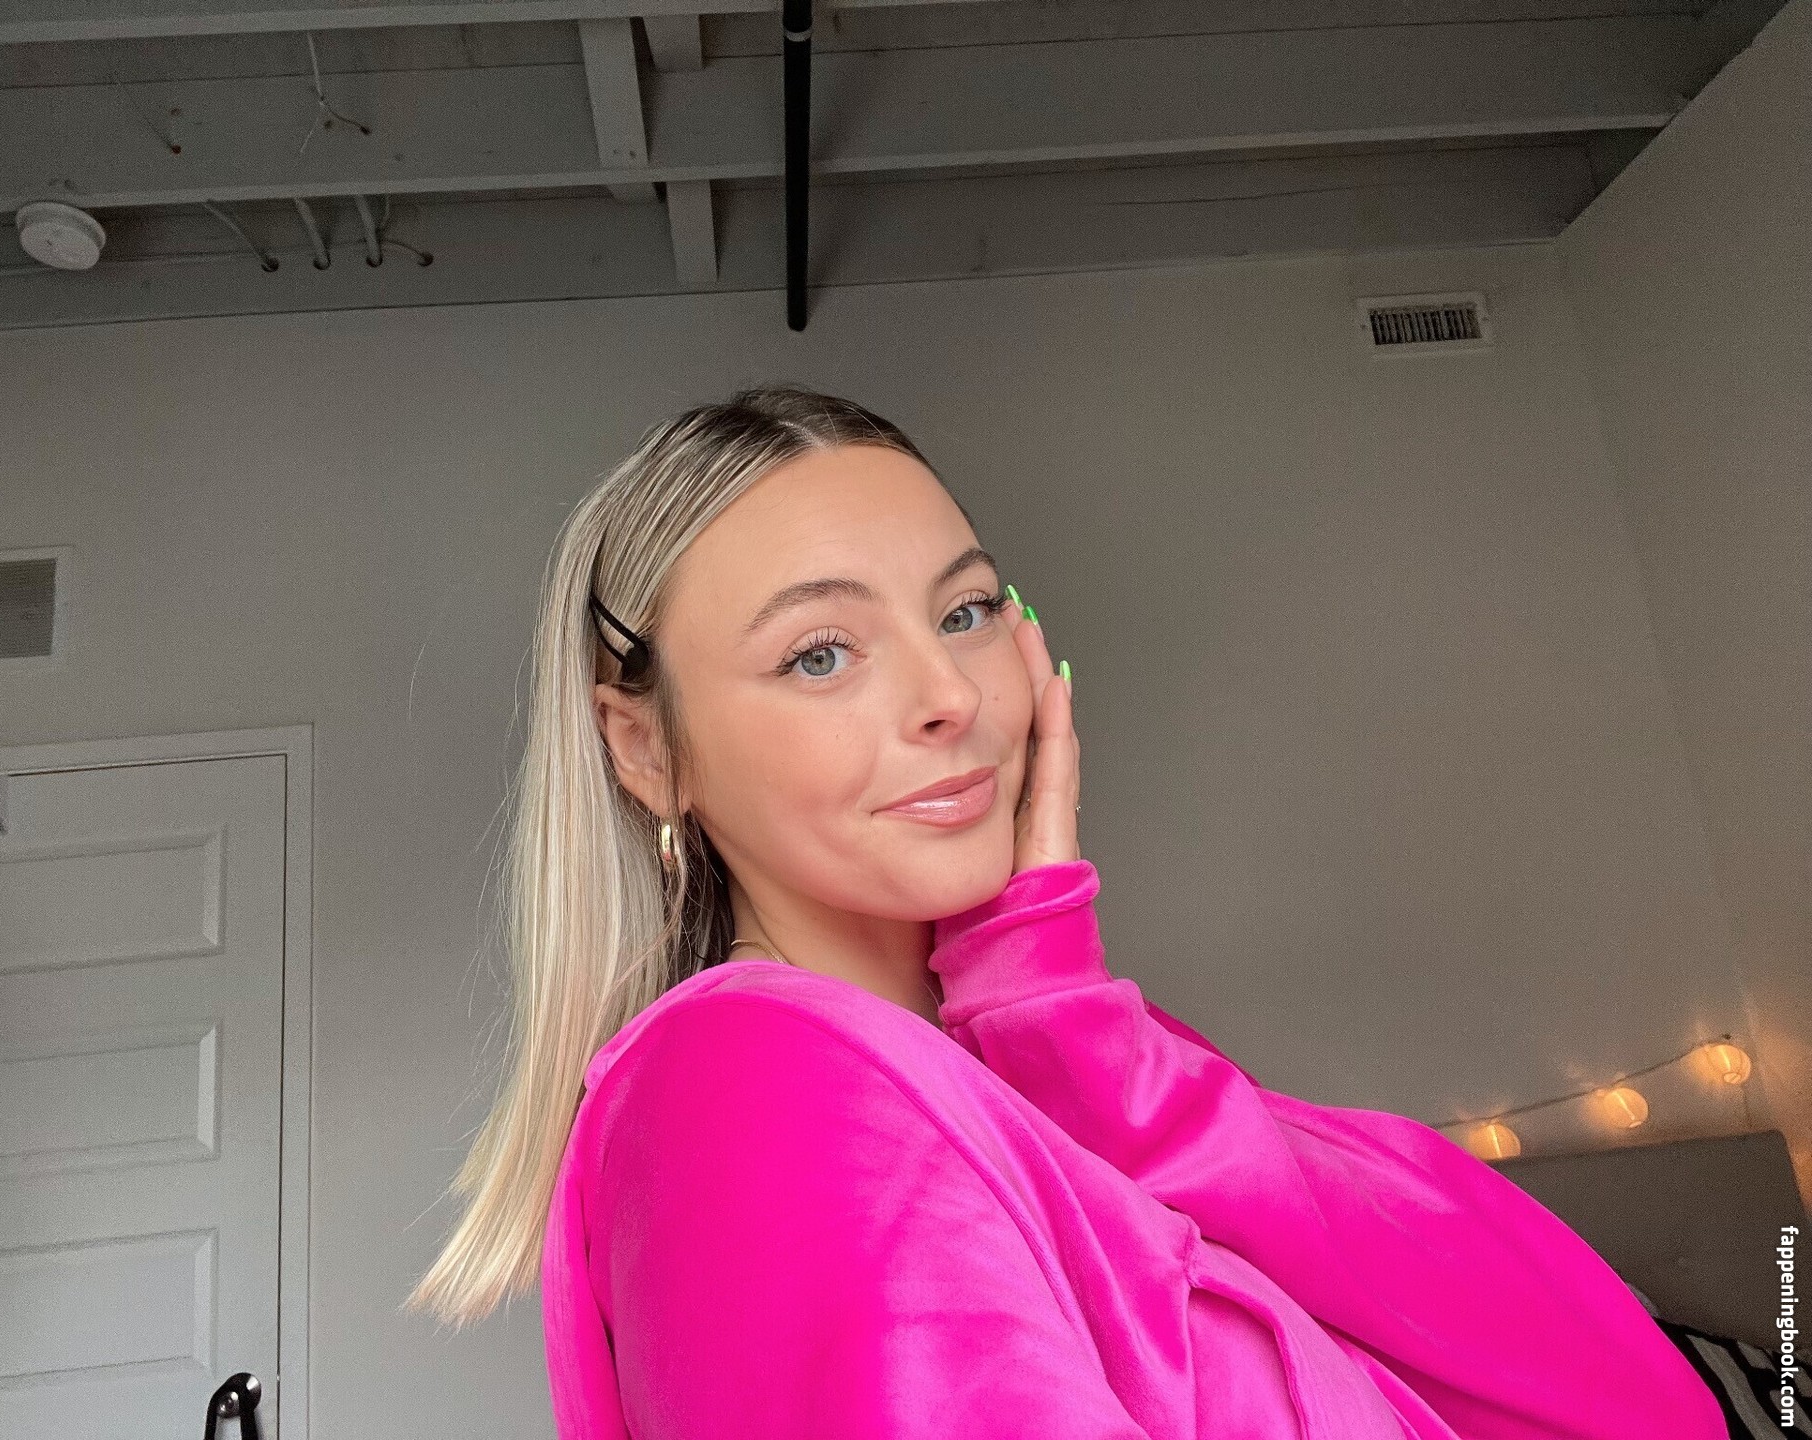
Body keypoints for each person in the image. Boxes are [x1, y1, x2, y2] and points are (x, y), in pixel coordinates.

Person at [407, 384, 1727, 1439]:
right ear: (646, 748)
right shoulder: (750, 1082)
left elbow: (1605, 1388)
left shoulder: (1007, 1073)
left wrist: (1053, 1002)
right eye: (821, 653)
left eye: (967, 610)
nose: (951, 696)